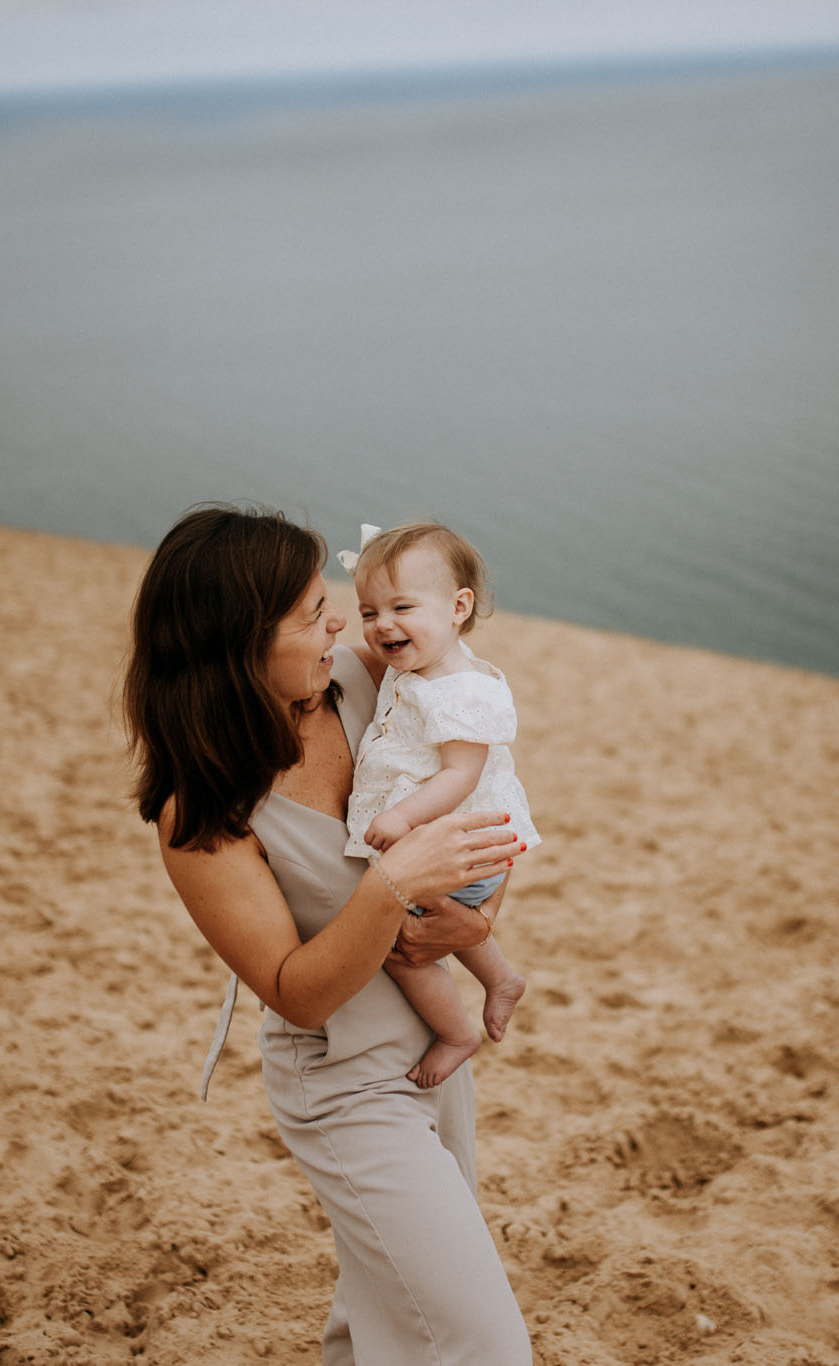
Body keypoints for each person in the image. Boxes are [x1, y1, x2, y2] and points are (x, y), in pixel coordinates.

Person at [122, 503, 534, 1364]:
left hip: (434, 1054)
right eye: (312, 612)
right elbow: (292, 988)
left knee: (381, 1322)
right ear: (240, 642)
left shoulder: (362, 680)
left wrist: (477, 919)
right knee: (480, 1345)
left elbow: (484, 781)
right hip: (346, 1087)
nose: (342, 620)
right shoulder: (198, 812)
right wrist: (391, 887)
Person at [337, 522, 538, 1089]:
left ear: (458, 606)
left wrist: (401, 818)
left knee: (404, 948)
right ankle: (501, 978)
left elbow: (460, 774)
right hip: (458, 845)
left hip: (457, 843)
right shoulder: (428, 667)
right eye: (369, 611)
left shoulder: (463, 691)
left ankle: (456, 1033)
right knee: (435, 924)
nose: (383, 625)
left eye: (402, 606)